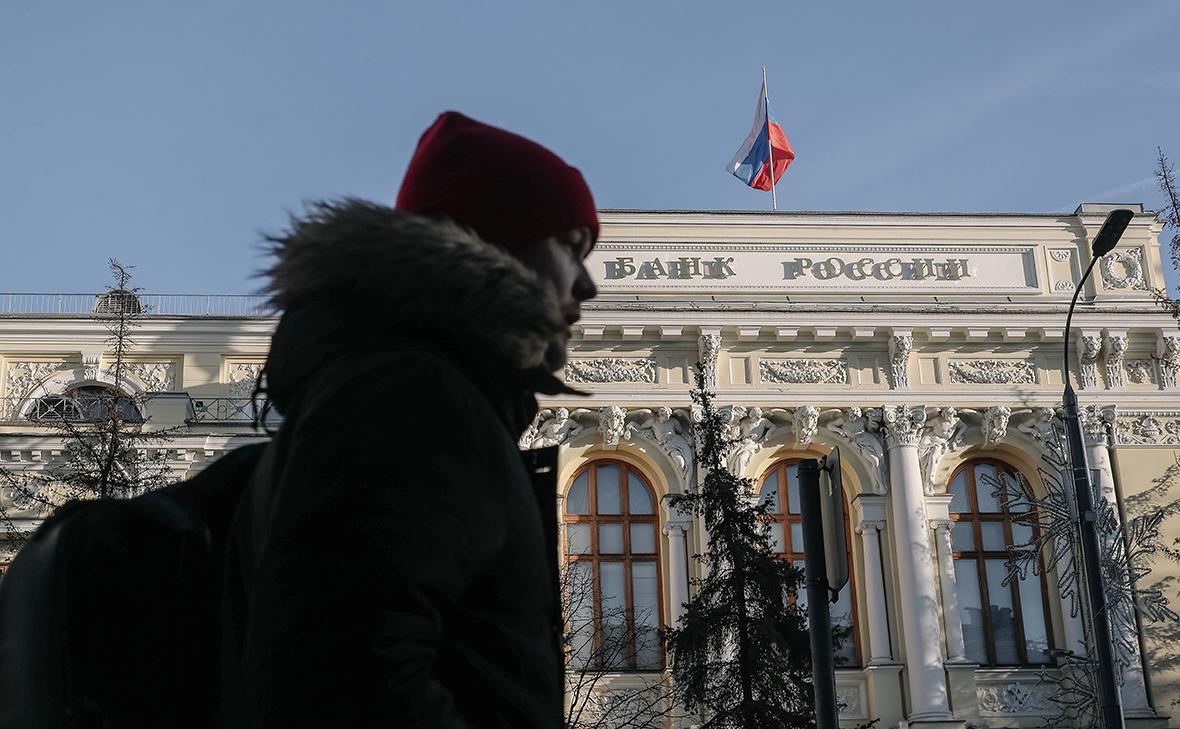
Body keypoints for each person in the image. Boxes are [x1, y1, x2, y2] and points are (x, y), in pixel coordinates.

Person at [220, 111, 599, 728]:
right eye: (570, 245)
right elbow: (344, 681)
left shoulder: (400, 387)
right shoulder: (414, 398)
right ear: (498, 239)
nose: (588, 285)